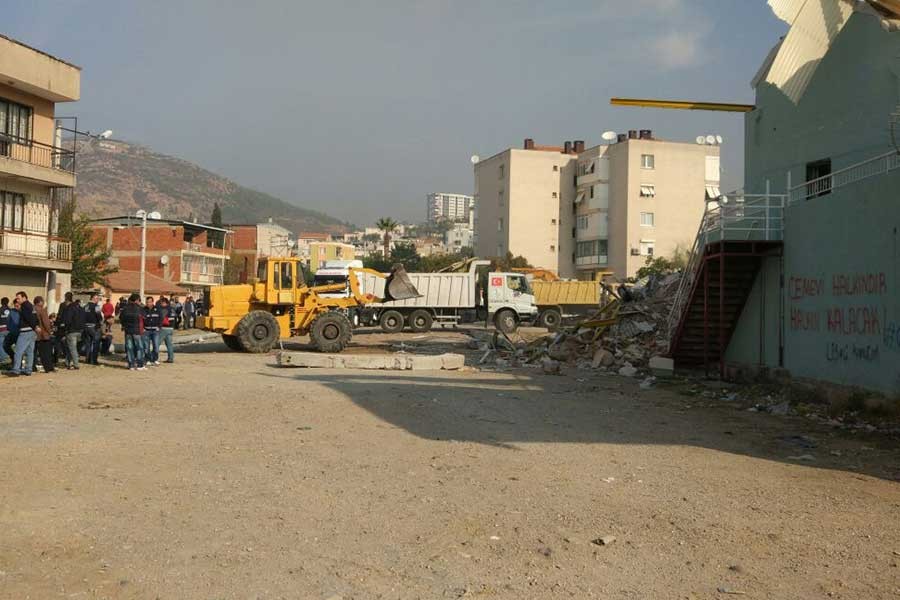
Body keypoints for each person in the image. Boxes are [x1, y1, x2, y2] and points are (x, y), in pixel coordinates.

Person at [5, 291, 37, 377]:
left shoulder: (24, 306)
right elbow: (34, 317)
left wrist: (34, 326)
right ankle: (28, 370)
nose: (17, 300)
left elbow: (28, 318)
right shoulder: (31, 306)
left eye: (18, 298)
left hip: (25, 331)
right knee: (30, 351)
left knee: (18, 351)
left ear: (24, 297)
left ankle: (16, 370)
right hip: (32, 332)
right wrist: (35, 327)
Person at [119, 293, 146, 371]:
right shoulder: (139, 308)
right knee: (139, 347)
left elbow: (121, 318)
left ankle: (131, 365)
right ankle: (140, 364)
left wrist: (124, 326)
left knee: (129, 347)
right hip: (137, 330)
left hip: (128, 330)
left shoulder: (125, 308)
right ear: (137, 300)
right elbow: (145, 317)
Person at [60, 292, 85, 370]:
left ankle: (76, 364)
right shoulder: (80, 308)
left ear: (66, 298)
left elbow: (67, 320)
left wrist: (64, 326)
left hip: (71, 331)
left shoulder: (69, 308)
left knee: (72, 348)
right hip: (80, 330)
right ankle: (67, 362)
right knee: (70, 347)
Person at [33, 296, 56, 374]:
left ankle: (33, 367)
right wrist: (50, 331)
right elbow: (46, 323)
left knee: (33, 352)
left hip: (35, 334)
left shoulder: (33, 310)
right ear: (40, 302)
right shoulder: (42, 310)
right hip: (44, 335)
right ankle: (48, 368)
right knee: (46, 352)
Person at [82, 293, 102, 365]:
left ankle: (87, 359)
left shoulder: (85, 306)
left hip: (86, 327)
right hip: (94, 327)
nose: (98, 300)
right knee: (96, 343)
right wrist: (100, 323)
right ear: (93, 298)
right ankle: (94, 360)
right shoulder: (96, 307)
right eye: (97, 298)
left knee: (88, 344)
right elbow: (99, 317)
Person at [142, 296, 161, 366]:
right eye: (147, 302)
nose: (148, 303)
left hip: (155, 331)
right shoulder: (143, 309)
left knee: (156, 346)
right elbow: (141, 319)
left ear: (152, 302)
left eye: (149, 302)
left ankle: (155, 359)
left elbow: (161, 318)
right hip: (146, 330)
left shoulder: (157, 309)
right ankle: (147, 359)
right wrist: (143, 328)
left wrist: (159, 327)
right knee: (146, 347)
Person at [157, 296, 176, 364]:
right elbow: (174, 319)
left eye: (161, 303)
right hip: (171, 328)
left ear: (164, 303)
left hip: (164, 328)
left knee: (157, 343)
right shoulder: (172, 309)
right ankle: (171, 358)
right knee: (169, 345)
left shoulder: (164, 309)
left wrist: (158, 325)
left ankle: (154, 358)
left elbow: (162, 319)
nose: (160, 304)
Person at [3, 297, 20, 365]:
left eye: (17, 305)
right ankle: (13, 357)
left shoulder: (23, 312)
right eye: (15, 305)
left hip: (19, 334)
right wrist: (9, 328)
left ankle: (17, 365)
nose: (16, 306)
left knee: (19, 350)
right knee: (5, 345)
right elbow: (8, 321)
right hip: (11, 333)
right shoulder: (11, 311)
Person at [0, 297, 10, 365]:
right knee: (7, 345)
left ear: (1, 302)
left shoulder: (0, 310)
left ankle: (5, 357)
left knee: (0, 345)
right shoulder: (10, 310)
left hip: (2, 330)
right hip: (10, 330)